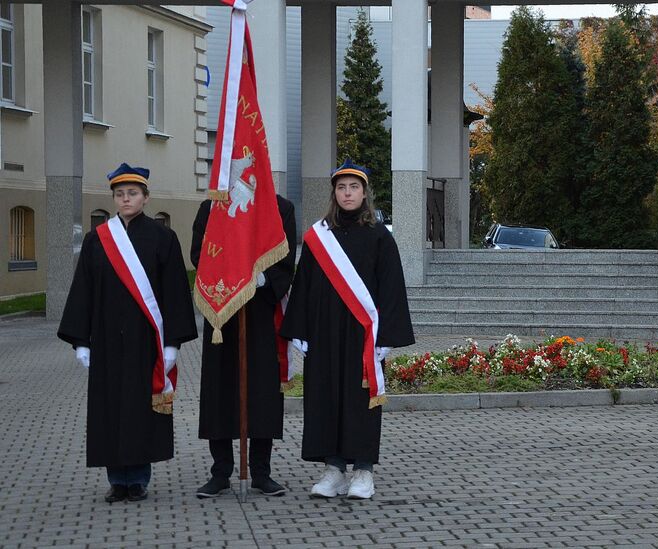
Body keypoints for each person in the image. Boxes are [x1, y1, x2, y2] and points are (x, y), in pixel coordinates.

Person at [58, 163, 198, 502]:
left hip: (145, 342)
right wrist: (81, 341)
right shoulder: (97, 240)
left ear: (146, 198)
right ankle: (116, 480)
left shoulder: (163, 238)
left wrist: (173, 344)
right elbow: (84, 290)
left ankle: (137, 478)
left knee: (139, 411)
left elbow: (175, 291)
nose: (125, 199)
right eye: (120, 195)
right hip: (106, 341)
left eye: (132, 194)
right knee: (109, 411)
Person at [280, 158, 415, 500]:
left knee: (361, 401)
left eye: (354, 187)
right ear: (334, 193)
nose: (347, 193)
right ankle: (334, 469)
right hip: (324, 333)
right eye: (341, 187)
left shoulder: (380, 237)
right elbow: (305, 284)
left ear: (365, 193)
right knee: (325, 398)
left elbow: (392, 289)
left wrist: (385, 339)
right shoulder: (318, 237)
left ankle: (363, 472)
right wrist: (301, 330)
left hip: (363, 337)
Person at [191, 195, 297, 498]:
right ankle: (220, 471)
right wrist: (232, 274)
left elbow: (285, 257)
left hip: (262, 313)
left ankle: (261, 472)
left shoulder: (280, 208)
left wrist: (261, 278)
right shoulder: (211, 207)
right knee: (220, 389)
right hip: (223, 308)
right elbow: (198, 253)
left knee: (262, 390)